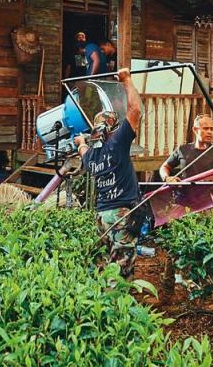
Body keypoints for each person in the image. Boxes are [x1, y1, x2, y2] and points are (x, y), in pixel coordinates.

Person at [73, 68, 143, 277]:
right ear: (112, 130)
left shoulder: (91, 156)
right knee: (121, 272)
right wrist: (127, 80)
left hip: (102, 216)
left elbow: (83, 150)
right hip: (121, 216)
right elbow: (135, 111)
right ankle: (117, 306)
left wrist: (82, 142)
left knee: (104, 267)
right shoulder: (117, 143)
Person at [159, 114, 213, 182]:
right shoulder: (183, 150)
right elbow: (164, 167)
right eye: (205, 128)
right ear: (195, 130)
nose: (210, 132)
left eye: (212, 129)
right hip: (185, 196)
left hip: (211, 197)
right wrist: (167, 178)